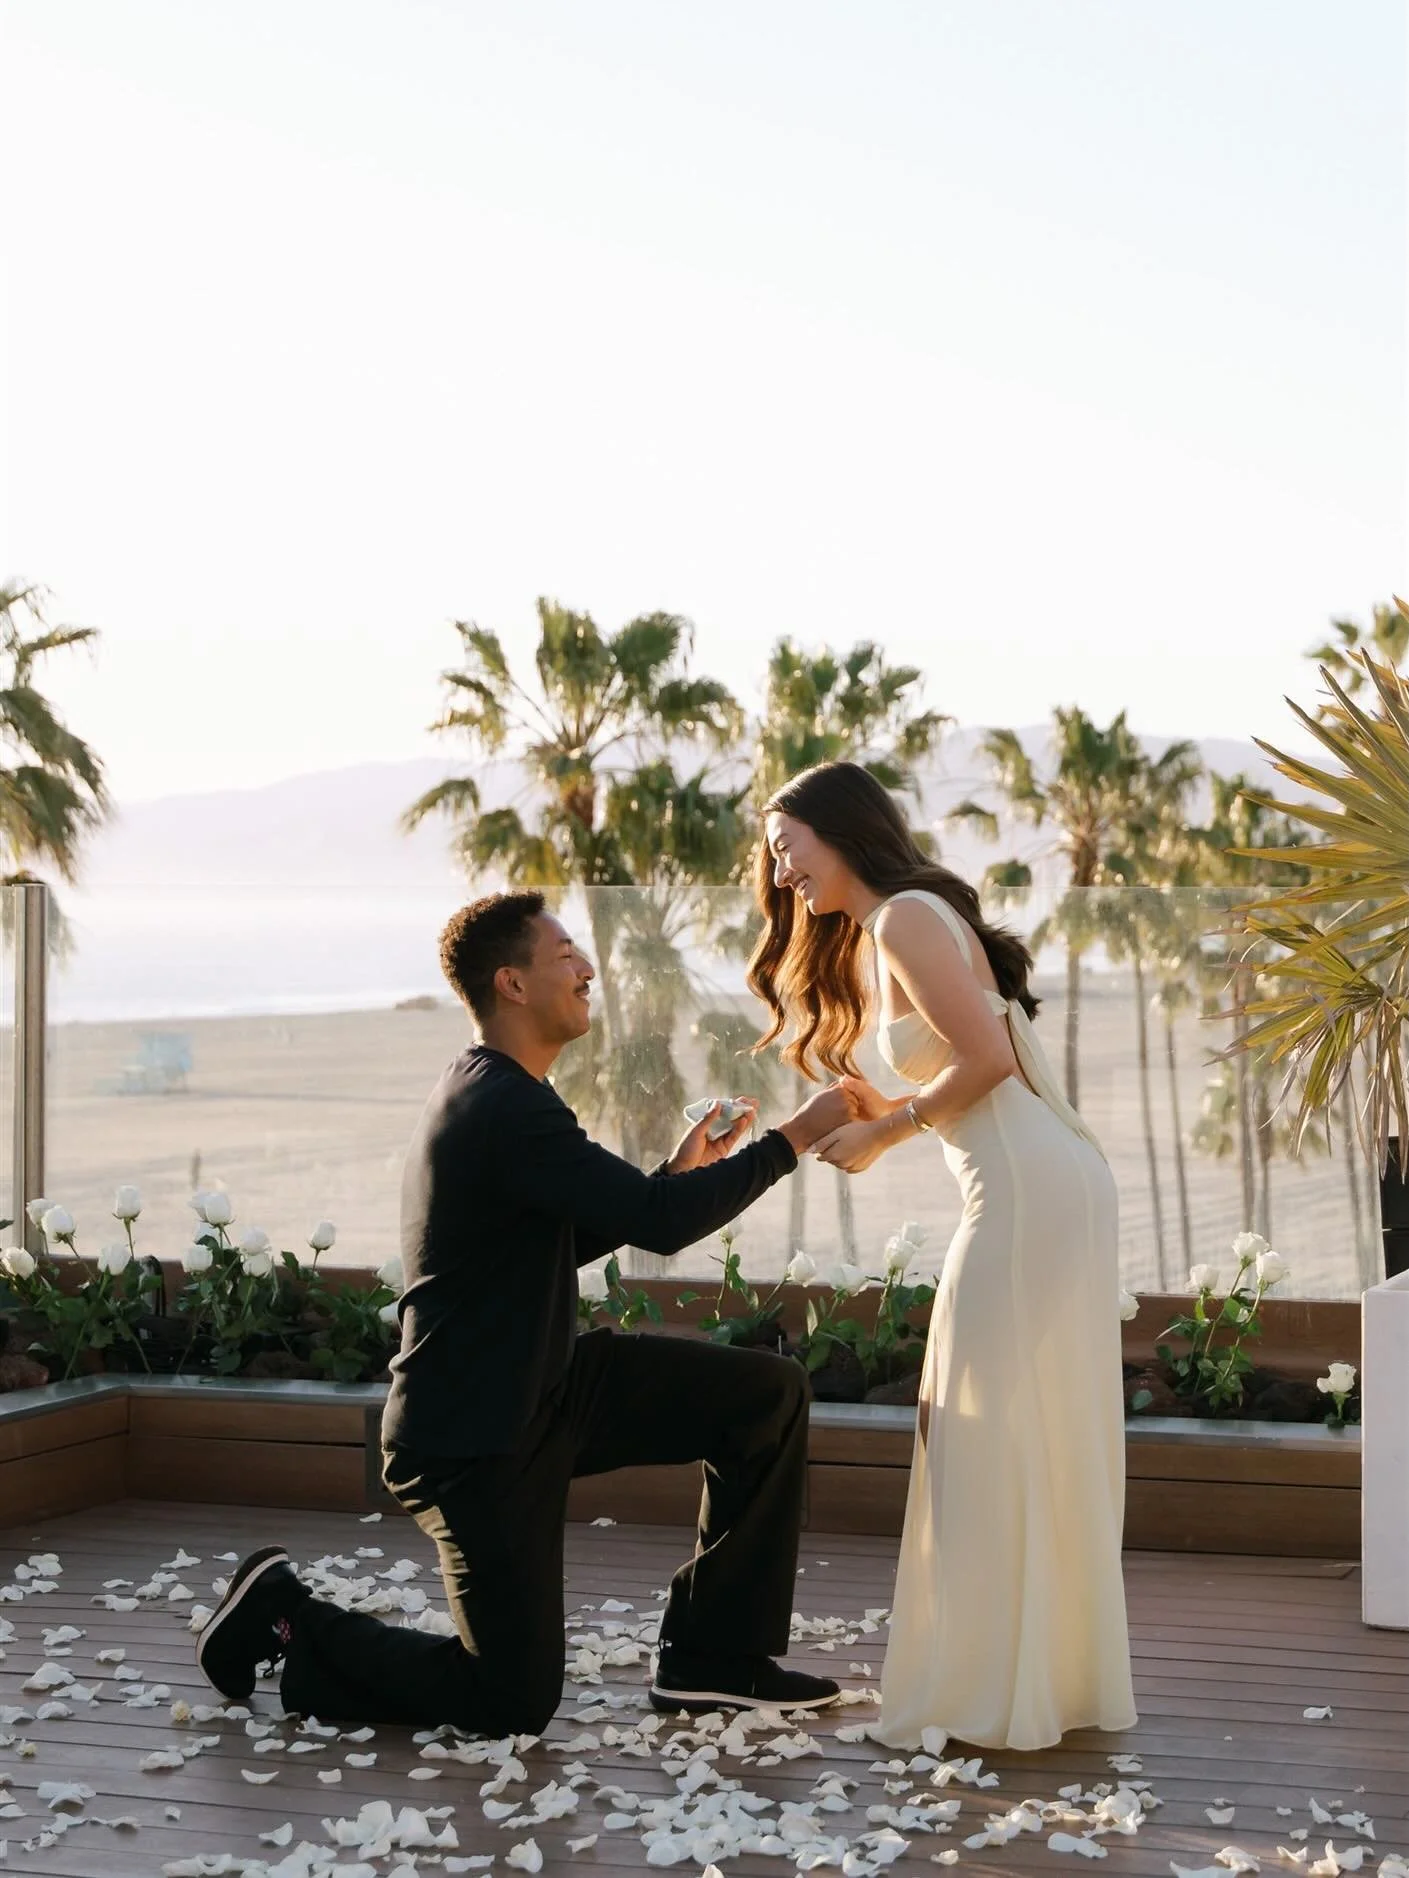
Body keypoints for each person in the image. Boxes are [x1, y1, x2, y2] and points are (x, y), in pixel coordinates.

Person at [196, 889, 857, 1733]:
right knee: (508, 1698)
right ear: (511, 984)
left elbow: (569, 1234)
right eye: (564, 955)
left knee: (765, 1397)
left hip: (548, 1389)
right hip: (471, 1440)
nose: (586, 968)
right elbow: (659, 1224)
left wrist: (671, 1171)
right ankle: (285, 1616)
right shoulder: (499, 1104)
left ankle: (712, 1657)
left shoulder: (506, 1096)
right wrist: (792, 1138)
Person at [749, 760, 1137, 1753]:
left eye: (787, 846)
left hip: (1023, 1197)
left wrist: (885, 1134)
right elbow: (969, 1067)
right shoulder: (907, 920)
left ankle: (993, 1691)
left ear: (838, 832)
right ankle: (1035, 1683)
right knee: (1011, 1429)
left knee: (969, 1426)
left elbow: (988, 1063)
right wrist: (870, 1112)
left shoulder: (902, 921)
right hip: (1034, 1185)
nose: (781, 870)